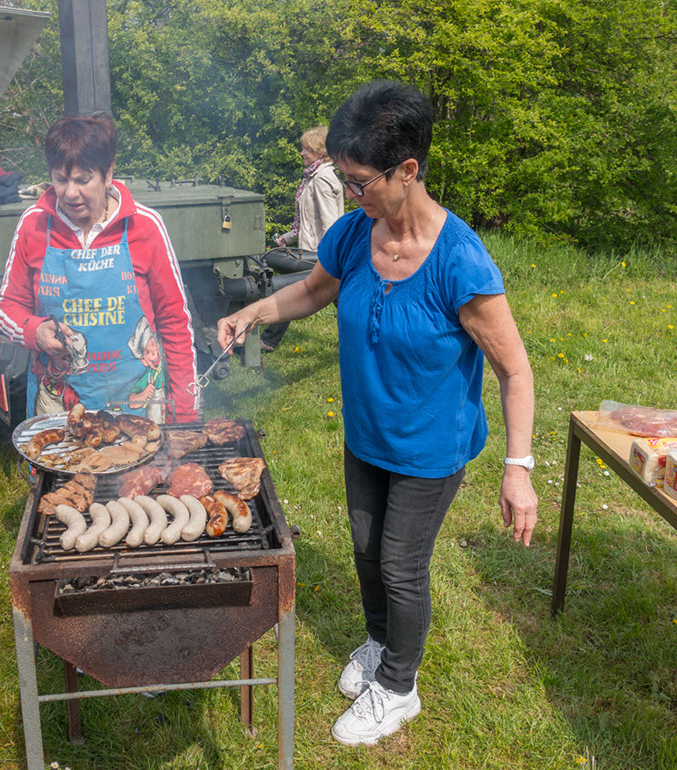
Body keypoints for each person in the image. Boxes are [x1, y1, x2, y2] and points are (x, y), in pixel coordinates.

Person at [217, 81, 538, 746]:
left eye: (359, 181)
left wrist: (519, 468)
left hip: (429, 446)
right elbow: (312, 291)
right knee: (366, 550)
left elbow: (516, 370)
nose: (349, 192)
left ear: (407, 170)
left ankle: (398, 687)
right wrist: (255, 312)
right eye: (344, 176)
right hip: (366, 434)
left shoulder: (460, 261)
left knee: (400, 565)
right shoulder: (354, 233)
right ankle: (379, 642)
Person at [0, 114, 198, 422]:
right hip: (58, 407)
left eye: (83, 179)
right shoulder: (33, 225)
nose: (70, 193)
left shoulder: (145, 226)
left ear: (108, 173)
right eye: (60, 179)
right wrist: (34, 331)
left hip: (135, 412)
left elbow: (175, 323)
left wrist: (185, 415)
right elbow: (5, 307)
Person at [263, 125, 345, 352]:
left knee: (291, 292)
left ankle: (268, 341)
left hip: (318, 255)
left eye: (307, 149)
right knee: (341, 298)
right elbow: (309, 221)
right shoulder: (314, 176)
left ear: (320, 151)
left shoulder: (321, 179)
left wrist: (328, 258)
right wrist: (288, 238)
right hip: (315, 251)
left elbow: (330, 224)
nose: (302, 153)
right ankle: (268, 340)